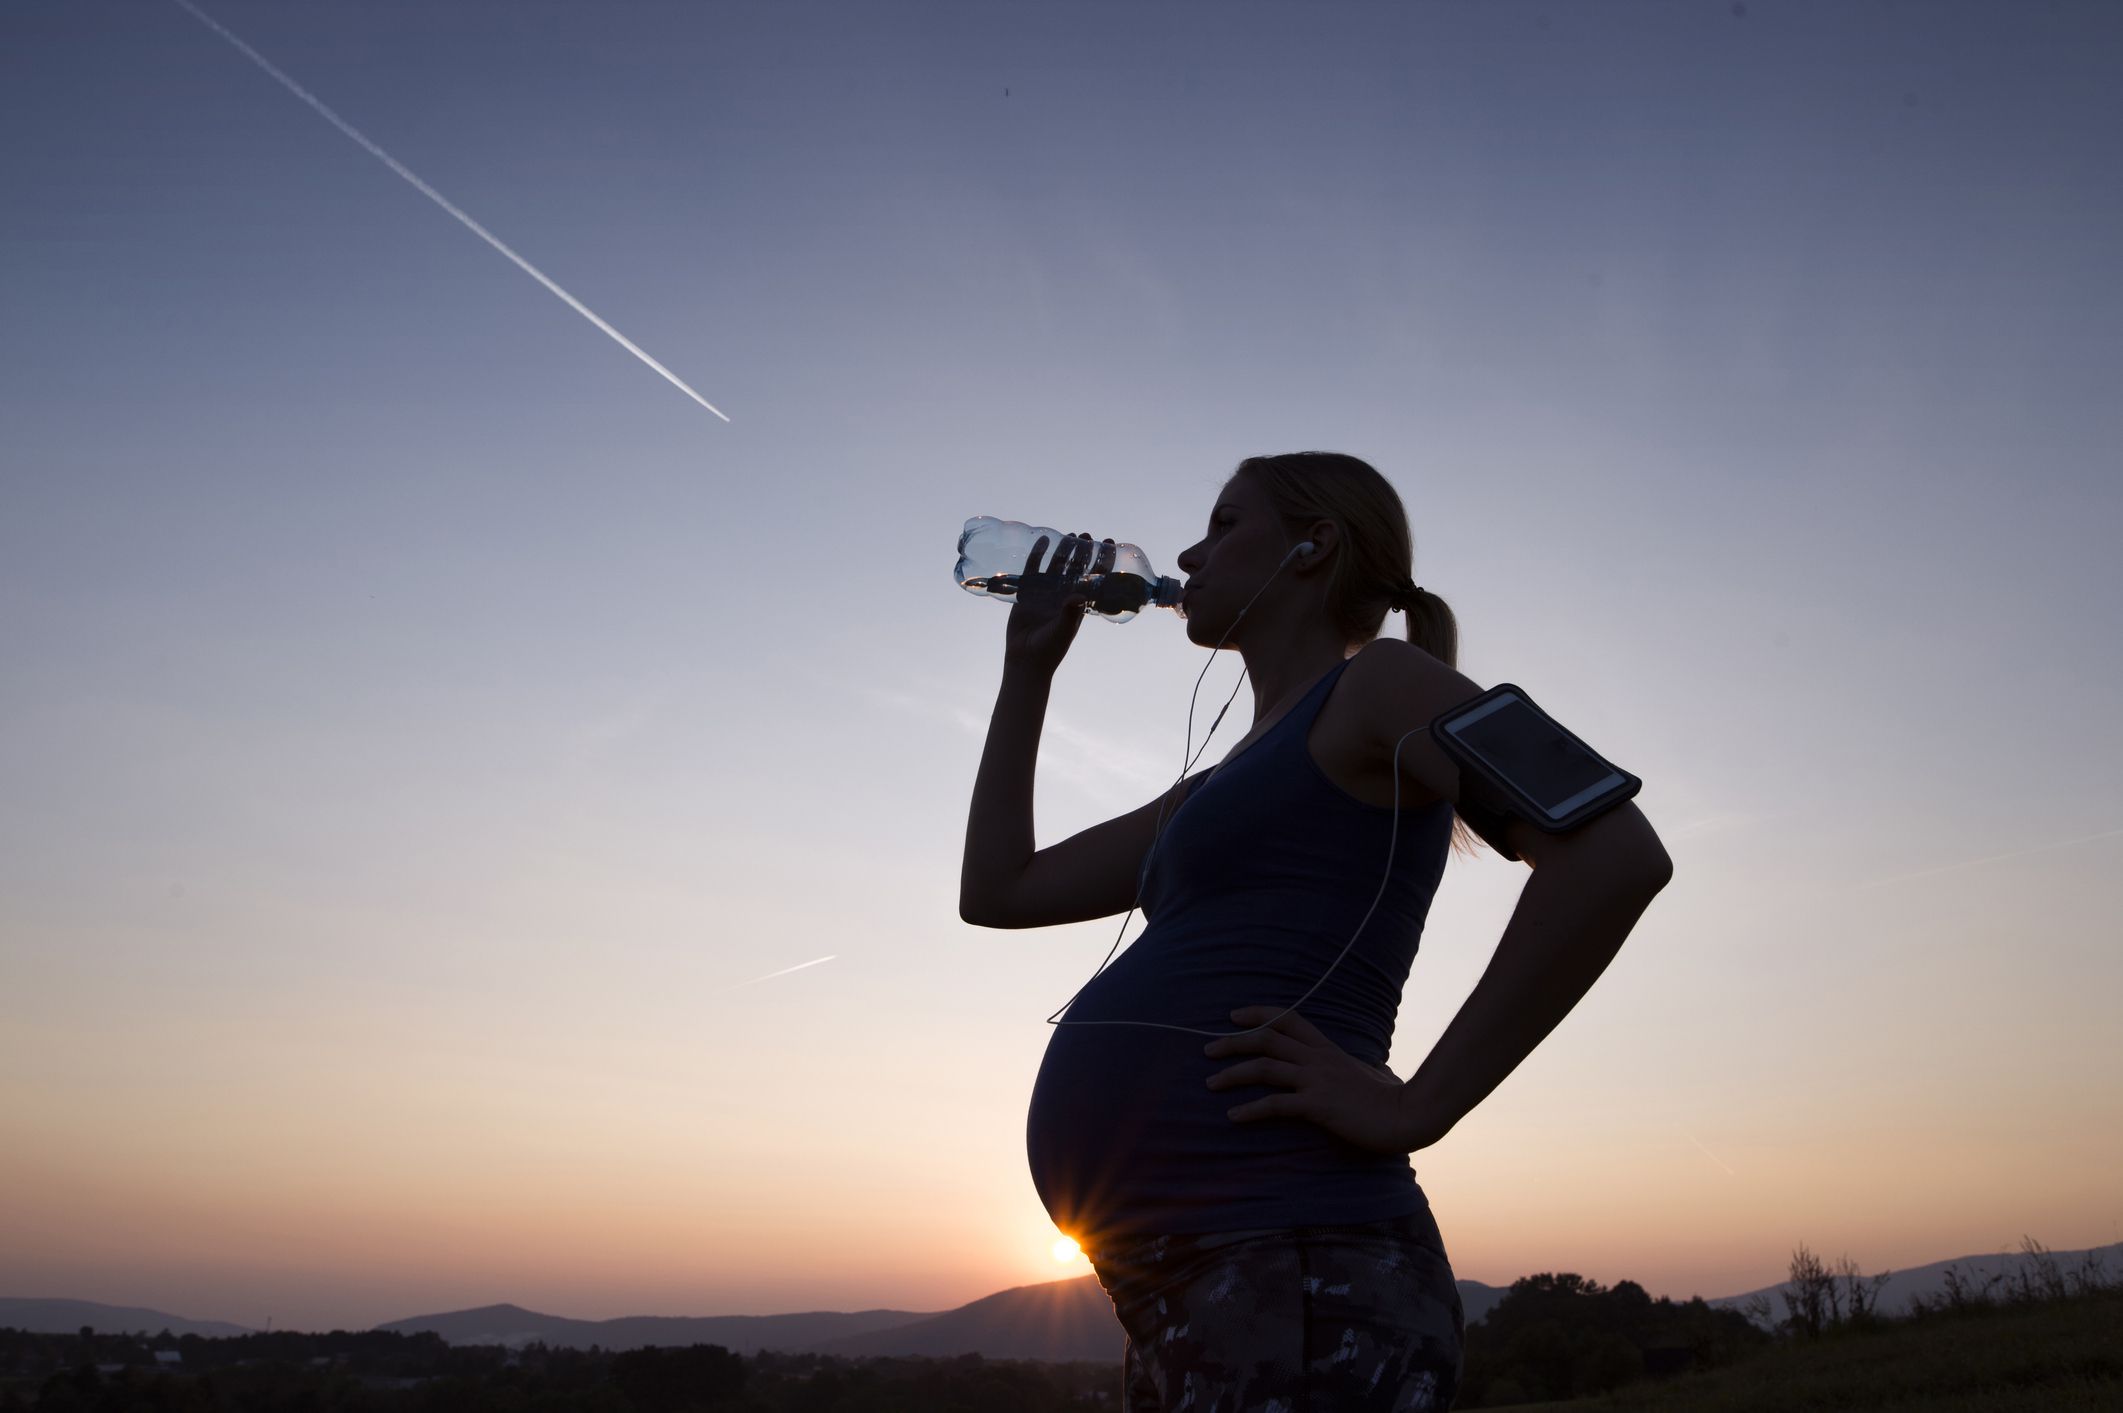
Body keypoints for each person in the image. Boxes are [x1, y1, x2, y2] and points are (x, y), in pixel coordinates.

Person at [960, 452, 1674, 1411]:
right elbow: (1000, 889)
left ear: (1313, 545)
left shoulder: (1380, 684)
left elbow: (1613, 854)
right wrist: (1027, 670)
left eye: (1222, 524)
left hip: (1299, 1265)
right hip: (1190, 1286)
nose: (1186, 552)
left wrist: (1418, 1106)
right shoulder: (1219, 785)